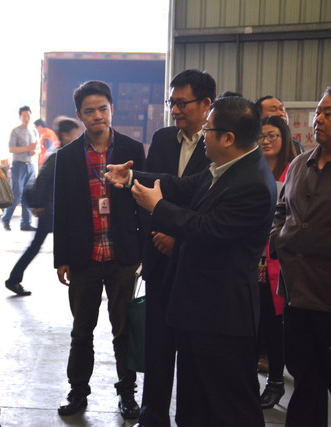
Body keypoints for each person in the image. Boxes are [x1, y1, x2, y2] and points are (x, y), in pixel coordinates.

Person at [107, 96, 276, 427]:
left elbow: (207, 229)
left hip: (222, 316)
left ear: (228, 138)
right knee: (194, 402)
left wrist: (158, 208)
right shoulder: (225, 168)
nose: (203, 136)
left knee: (229, 406)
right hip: (197, 311)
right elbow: (179, 186)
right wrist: (131, 177)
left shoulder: (253, 183)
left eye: (208, 130)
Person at [54, 81, 145, 419]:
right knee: (82, 331)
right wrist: (62, 258)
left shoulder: (132, 149)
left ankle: (128, 393)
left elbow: (143, 203)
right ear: (80, 115)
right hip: (84, 257)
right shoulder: (67, 156)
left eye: (103, 109)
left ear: (111, 110)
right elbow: (61, 209)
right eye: (90, 111)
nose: (97, 116)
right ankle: (78, 391)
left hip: (123, 256)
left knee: (124, 330)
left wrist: (144, 252)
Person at [138, 69, 214, 427]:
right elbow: (152, 191)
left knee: (192, 351)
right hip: (159, 257)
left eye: (182, 103)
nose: (175, 110)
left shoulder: (218, 143)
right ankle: (152, 416)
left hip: (196, 262)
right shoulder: (163, 138)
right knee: (157, 345)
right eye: (172, 103)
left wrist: (177, 237)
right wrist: (159, 233)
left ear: (206, 104)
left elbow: (210, 205)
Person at [270, 87, 331, 427]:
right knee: (305, 376)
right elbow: (281, 211)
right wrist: (278, 238)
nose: (318, 119)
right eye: (318, 112)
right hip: (296, 293)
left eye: (328, 114)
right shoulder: (298, 165)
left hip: (327, 294)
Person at [5, 119, 79, 296]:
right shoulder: (59, 154)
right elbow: (43, 179)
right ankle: (14, 279)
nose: (77, 138)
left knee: (40, 244)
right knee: (62, 242)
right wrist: (38, 204)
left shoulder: (60, 152)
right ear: (65, 135)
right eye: (75, 135)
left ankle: (14, 279)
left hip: (52, 206)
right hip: (50, 207)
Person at [256, 115, 296, 410]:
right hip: (251, 259)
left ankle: (276, 382)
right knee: (254, 323)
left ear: (284, 139)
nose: (266, 141)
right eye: (262, 136)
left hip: (278, 261)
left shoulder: (293, 170)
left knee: (274, 325)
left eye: (273, 135)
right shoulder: (253, 170)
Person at [1, 106, 38, 231]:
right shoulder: (15, 131)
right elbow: (11, 149)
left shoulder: (34, 131)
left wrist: (33, 151)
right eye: (24, 116)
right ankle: (6, 219)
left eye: (28, 115)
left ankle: (26, 223)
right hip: (18, 165)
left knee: (28, 195)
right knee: (16, 194)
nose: (26, 118)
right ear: (20, 117)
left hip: (30, 165)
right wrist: (27, 148)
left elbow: (35, 149)